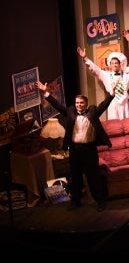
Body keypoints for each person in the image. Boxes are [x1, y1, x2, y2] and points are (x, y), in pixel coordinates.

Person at [35, 80, 113, 212]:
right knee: (75, 177)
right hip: (75, 150)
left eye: (81, 103)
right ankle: (75, 201)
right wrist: (46, 93)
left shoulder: (93, 112)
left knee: (93, 177)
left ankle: (100, 201)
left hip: (89, 150)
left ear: (86, 104)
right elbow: (58, 106)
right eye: (77, 103)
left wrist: (111, 94)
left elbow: (104, 105)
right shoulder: (70, 112)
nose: (79, 105)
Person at [77, 47, 129, 119]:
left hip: (124, 104)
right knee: (114, 125)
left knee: (126, 124)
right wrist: (85, 58)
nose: (114, 65)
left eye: (116, 63)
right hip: (112, 103)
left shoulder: (126, 73)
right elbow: (94, 68)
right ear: (110, 65)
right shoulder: (106, 75)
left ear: (120, 64)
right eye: (112, 63)